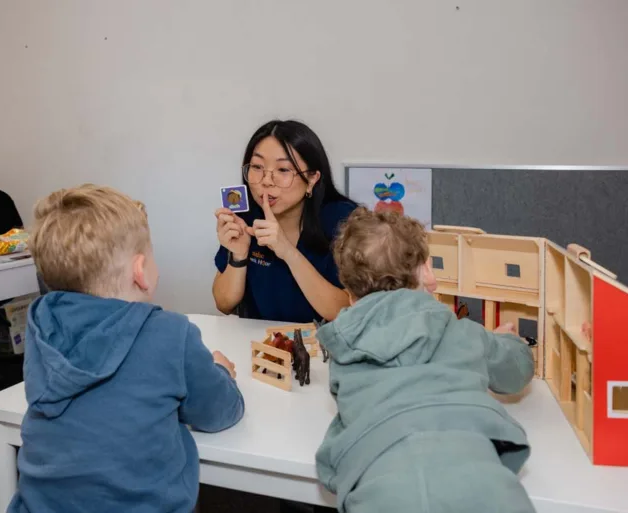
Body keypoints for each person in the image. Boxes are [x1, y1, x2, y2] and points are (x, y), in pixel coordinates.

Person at [8, 184, 245, 513]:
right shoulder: (170, 333)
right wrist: (219, 371)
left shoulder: (40, 325)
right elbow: (218, 411)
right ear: (140, 272)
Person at [315, 209, 536, 513]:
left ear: (351, 295)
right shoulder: (464, 333)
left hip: (382, 491)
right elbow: (517, 371)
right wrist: (508, 340)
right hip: (480, 484)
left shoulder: (344, 349)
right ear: (427, 273)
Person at [213, 119, 357, 323]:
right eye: (257, 166)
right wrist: (239, 255)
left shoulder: (345, 221)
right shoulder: (245, 216)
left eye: (283, 170)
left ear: (312, 179)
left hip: (324, 347)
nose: (266, 180)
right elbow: (223, 304)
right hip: (262, 347)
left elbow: (348, 313)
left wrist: (288, 252)